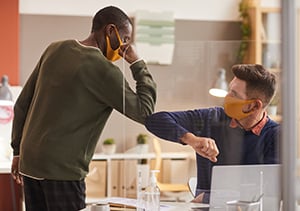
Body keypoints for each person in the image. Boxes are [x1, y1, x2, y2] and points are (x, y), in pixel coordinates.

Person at [10, 6, 156, 211]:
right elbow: (144, 111)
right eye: (125, 38)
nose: (124, 46)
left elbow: (22, 103)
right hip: (63, 173)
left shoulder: (55, 49)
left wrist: (17, 152)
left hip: (30, 165)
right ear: (110, 30)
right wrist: (138, 63)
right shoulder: (104, 71)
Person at [145, 64, 280, 203]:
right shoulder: (211, 117)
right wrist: (191, 139)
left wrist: (208, 198)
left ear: (255, 106)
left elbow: (266, 192)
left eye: (234, 94)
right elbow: (154, 121)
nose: (227, 97)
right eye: (229, 90)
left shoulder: (276, 136)